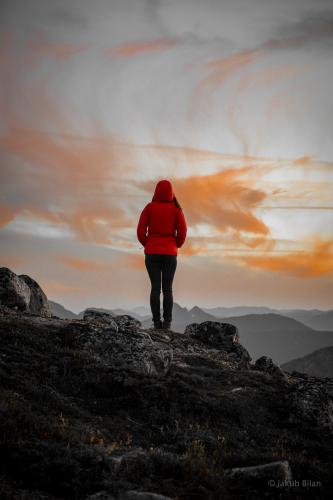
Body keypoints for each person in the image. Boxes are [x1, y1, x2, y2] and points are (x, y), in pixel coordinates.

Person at [136, 179, 187, 331]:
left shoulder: (149, 208)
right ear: (171, 192)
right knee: (167, 289)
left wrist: (148, 243)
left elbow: (140, 230)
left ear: (156, 191)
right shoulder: (176, 209)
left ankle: (156, 323)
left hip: (152, 253)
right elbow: (183, 231)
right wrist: (175, 245)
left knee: (155, 289)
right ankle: (167, 324)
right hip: (170, 254)